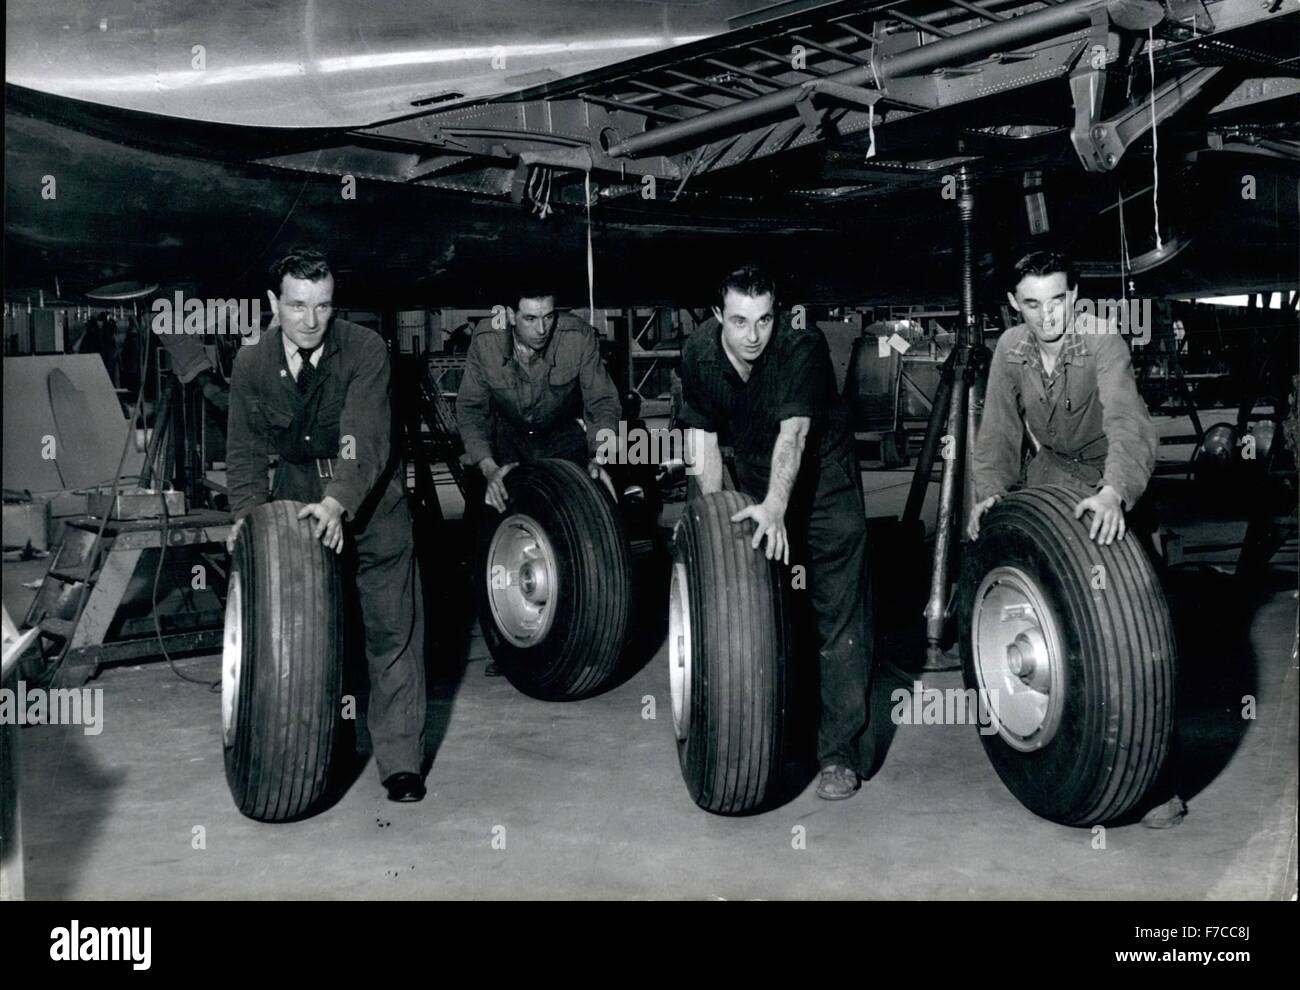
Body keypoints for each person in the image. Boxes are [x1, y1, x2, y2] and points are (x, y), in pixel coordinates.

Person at [969, 248, 1186, 827]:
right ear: (1015, 304)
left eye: (1059, 300)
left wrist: (1116, 494)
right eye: (1033, 304)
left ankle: (1158, 778)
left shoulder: (1103, 341)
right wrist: (988, 494)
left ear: (1075, 296)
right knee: (1027, 571)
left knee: (1141, 625)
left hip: (1111, 473)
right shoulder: (1009, 351)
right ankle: (1067, 730)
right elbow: (996, 432)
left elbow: (1127, 423)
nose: (1048, 317)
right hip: (1055, 470)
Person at [226, 247, 428, 803]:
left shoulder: (364, 349)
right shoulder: (252, 364)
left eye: (323, 306)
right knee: (308, 634)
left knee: (392, 631)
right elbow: (243, 451)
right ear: (274, 303)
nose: (311, 321)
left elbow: (364, 433)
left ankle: (401, 762)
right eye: (297, 306)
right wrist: (246, 520)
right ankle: (322, 750)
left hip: (371, 502)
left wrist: (339, 501)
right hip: (294, 508)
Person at [678, 264, 873, 800]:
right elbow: (704, 442)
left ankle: (839, 756)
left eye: (763, 320)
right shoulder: (699, 355)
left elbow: (796, 433)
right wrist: (713, 522)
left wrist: (777, 507)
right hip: (757, 482)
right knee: (763, 611)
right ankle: (779, 734)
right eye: (739, 321)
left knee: (837, 619)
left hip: (822, 484)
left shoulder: (800, 346)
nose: (753, 336)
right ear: (718, 315)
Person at [455, 287, 622, 513]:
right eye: (530, 319)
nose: (542, 329)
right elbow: (472, 409)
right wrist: (489, 468)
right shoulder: (486, 340)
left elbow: (602, 402)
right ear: (511, 316)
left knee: (592, 507)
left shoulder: (578, 336)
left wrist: (599, 457)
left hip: (562, 435)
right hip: (508, 439)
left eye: (548, 317)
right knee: (485, 517)